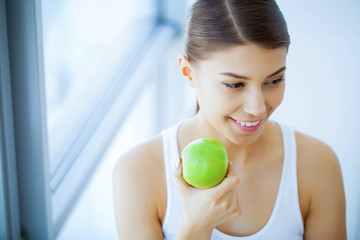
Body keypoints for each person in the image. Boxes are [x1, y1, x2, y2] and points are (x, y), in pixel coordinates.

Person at [112, 0, 347, 239]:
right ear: (188, 73)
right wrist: (194, 229)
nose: (257, 109)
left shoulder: (317, 164)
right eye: (235, 84)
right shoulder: (138, 172)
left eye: (274, 80)